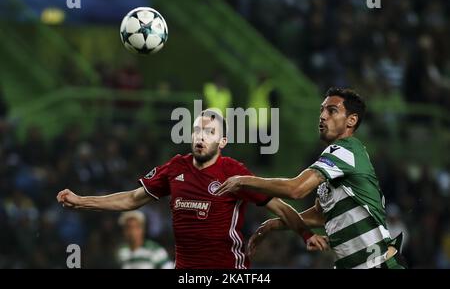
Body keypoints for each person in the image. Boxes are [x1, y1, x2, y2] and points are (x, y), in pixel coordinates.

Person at [57, 109, 328, 269]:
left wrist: (305, 234)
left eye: (209, 132)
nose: (201, 136)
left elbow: (279, 206)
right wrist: (81, 201)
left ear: (222, 141)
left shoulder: (233, 172)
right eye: (197, 130)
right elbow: (130, 199)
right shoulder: (175, 168)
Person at [216, 89, 408, 269]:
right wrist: (274, 224)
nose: (323, 116)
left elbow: (295, 189)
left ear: (351, 120)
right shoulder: (335, 165)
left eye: (332, 111)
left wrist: (243, 180)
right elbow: (320, 215)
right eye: (322, 110)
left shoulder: (345, 150)